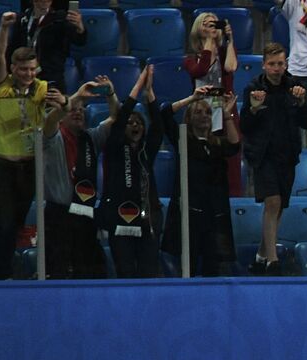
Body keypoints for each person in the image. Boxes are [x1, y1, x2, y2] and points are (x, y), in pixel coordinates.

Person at [242, 43, 307, 275]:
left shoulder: (295, 88)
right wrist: (253, 108)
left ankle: (261, 255)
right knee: (272, 203)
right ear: (264, 65)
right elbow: (245, 126)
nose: (276, 68)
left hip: (287, 154)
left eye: (280, 63)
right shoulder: (254, 88)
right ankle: (272, 260)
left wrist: (302, 103)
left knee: (279, 206)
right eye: (272, 64)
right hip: (263, 155)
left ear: (286, 64)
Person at [161, 88, 241, 276]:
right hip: (191, 214)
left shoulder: (217, 144)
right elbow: (164, 114)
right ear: (189, 118)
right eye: (198, 112)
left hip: (214, 215)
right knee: (188, 267)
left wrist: (228, 114)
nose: (204, 116)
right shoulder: (183, 140)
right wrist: (192, 98)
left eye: (207, 112)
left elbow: (235, 145)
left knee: (213, 268)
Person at [42, 77, 115, 279]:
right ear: (63, 114)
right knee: (59, 271)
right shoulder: (52, 137)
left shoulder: (91, 137)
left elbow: (116, 118)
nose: (78, 111)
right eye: (73, 109)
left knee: (91, 270)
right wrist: (75, 98)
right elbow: (49, 121)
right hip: (59, 214)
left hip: (85, 213)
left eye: (82, 109)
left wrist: (110, 94)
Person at [100, 64, 164, 278]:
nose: (134, 125)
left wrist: (150, 93)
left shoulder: (147, 150)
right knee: (125, 271)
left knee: (149, 272)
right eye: (130, 123)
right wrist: (137, 87)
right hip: (120, 219)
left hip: (147, 219)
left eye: (139, 123)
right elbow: (120, 119)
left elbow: (159, 126)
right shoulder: (115, 147)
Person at [0, 15, 48, 280]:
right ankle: (2, 274)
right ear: (13, 68)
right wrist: (4, 29)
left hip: (29, 165)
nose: (27, 74)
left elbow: (55, 117)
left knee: (15, 224)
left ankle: (6, 270)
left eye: (31, 69)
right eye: (22, 69)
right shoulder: (2, 87)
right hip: (2, 165)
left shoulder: (42, 88)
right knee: (4, 223)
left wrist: (65, 101)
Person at [184, 11, 241, 196]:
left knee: (229, 158)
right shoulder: (191, 58)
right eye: (206, 24)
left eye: (214, 24)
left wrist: (230, 39)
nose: (211, 27)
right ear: (197, 29)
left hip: (224, 110)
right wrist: (209, 41)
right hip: (202, 112)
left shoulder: (225, 52)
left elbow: (230, 67)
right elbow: (200, 70)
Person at [8, 0, 85, 91]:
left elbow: (79, 41)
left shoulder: (60, 19)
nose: (45, 2)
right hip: (24, 74)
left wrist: (80, 27)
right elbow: (12, 49)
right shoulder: (22, 19)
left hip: (51, 76)